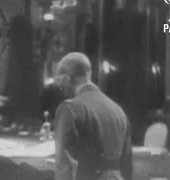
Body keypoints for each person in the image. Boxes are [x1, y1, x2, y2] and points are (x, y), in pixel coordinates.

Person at [53, 52, 133, 180]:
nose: (59, 87)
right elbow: (127, 166)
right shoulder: (118, 110)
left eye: (59, 80)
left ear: (68, 78)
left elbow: (64, 166)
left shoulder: (69, 108)